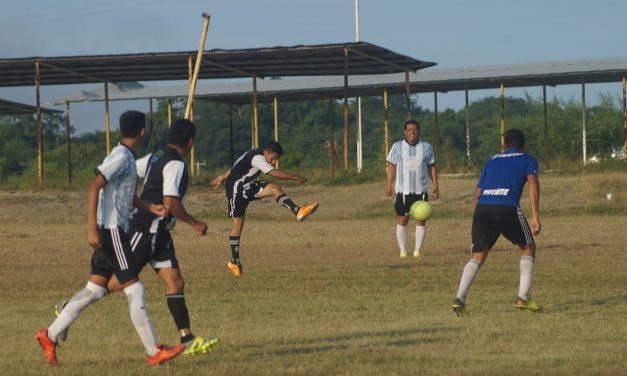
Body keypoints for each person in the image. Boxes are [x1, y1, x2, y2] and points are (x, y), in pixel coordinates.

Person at [55, 119, 219, 355]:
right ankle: (67, 311)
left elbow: (134, 170)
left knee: (175, 282)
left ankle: (188, 339)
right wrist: (195, 223)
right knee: (117, 282)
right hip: (146, 228)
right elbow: (170, 202)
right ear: (191, 142)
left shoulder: (156, 155)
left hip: (159, 233)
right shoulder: (176, 164)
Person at [36, 111, 185, 367]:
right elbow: (95, 186)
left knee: (94, 290)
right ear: (142, 132)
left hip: (112, 228)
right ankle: (153, 351)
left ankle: (48, 335)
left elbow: (122, 195)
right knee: (135, 289)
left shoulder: (127, 157)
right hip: (112, 230)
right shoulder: (120, 157)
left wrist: (150, 207)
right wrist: (92, 229)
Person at [451, 128, 542, 316]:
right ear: (523, 145)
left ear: (504, 144)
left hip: (483, 207)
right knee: (528, 247)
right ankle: (523, 297)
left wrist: (483, 216)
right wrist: (535, 216)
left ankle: (459, 299)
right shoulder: (528, 160)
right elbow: (533, 183)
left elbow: (476, 196)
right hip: (507, 206)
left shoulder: (491, 161)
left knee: (479, 254)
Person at [211, 141, 319, 276]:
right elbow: (273, 173)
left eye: (276, 159)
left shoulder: (254, 152)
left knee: (275, 189)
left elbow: (234, 166)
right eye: (273, 158)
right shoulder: (258, 158)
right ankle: (234, 262)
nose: (273, 162)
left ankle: (298, 211)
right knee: (238, 223)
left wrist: (222, 177)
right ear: (266, 152)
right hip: (236, 187)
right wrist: (296, 177)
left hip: (248, 184)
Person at [386, 119, 439, 258]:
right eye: (409, 130)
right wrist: (389, 185)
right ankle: (403, 250)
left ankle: (417, 251)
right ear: (405, 132)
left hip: (420, 192)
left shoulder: (426, 147)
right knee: (403, 220)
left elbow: (431, 166)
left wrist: (436, 185)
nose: (412, 132)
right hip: (403, 192)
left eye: (415, 130)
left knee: (420, 220)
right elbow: (391, 166)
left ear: (418, 131)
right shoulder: (397, 146)